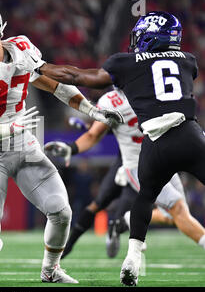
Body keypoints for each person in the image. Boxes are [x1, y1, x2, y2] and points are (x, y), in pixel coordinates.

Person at [0, 0, 123, 284]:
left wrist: (92, 111)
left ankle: (50, 270)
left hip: (24, 145)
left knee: (61, 210)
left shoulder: (20, 48)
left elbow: (52, 84)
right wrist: (7, 128)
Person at [37, 11, 205, 286]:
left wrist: (39, 67)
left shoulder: (124, 67)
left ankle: (132, 257)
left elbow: (79, 76)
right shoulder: (188, 61)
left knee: (145, 201)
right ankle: (121, 226)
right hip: (186, 134)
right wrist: (71, 147)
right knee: (169, 209)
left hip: (153, 147)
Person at [45, 89, 205, 260]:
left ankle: (126, 220)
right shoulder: (118, 98)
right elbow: (94, 132)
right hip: (135, 164)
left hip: (161, 157)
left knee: (173, 216)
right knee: (101, 202)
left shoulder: (150, 88)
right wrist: (73, 146)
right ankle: (68, 246)